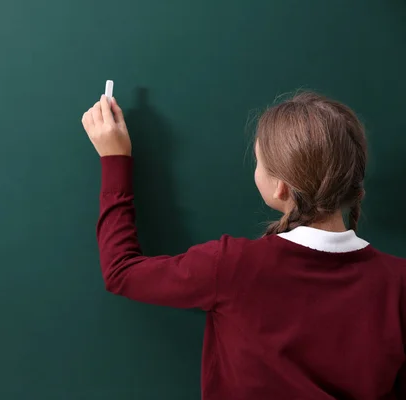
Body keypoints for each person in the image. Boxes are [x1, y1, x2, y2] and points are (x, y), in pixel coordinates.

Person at [81, 92, 406, 399]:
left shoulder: (232, 265)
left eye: (258, 161)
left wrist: (114, 158)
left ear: (280, 187)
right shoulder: (398, 282)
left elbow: (121, 271)